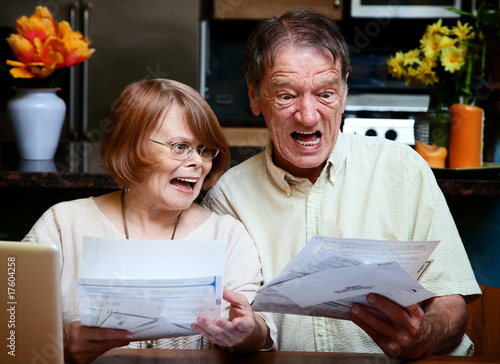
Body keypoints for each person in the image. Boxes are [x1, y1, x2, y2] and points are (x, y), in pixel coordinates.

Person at [202, 8, 481, 359]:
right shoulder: (229, 197)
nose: (307, 115)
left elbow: (450, 299)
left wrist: (421, 336)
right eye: (286, 95)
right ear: (255, 96)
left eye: (325, 93)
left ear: (345, 90)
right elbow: (234, 324)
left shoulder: (401, 168)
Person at [23, 78, 276, 364]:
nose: (198, 162)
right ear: (131, 146)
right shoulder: (62, 225)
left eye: (205, 150)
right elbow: (11, 335)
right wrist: (62, 342)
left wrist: (249, 332)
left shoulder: (227, 235)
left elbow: (261, 335)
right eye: (180, 147)